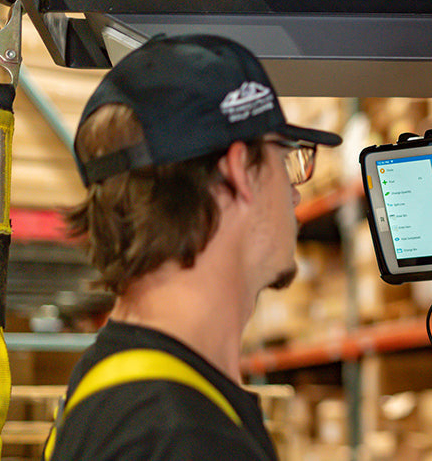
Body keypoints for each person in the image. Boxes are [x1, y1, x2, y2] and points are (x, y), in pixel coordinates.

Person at [47, 34, 341, 460]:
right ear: (241, 170)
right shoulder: (184, 437)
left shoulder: (112, 386)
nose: (295, 195)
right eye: (285, 159)